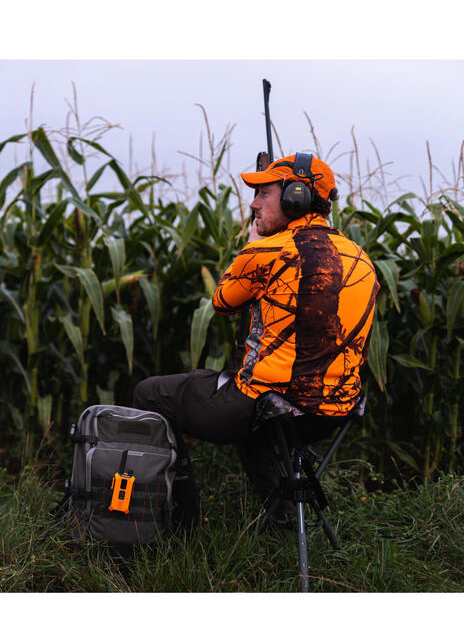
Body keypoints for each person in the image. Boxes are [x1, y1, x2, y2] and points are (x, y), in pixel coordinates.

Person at [132, 152, 380, 504]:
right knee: (259, 422)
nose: (253, 203)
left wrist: (254, 243)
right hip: (330, 413)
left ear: (297, 198)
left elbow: (222, 301)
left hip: (268, 407)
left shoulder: (268, 251)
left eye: (264, 193)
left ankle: (180, 511)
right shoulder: (360, 258)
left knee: (150, 393)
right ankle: (279, 510)